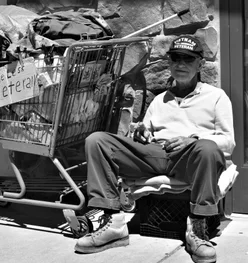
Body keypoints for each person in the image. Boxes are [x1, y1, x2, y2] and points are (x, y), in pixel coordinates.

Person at [74, 35, 235, 263]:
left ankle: (198, 229)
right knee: (97, 140)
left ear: (200, 64)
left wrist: (194, 139)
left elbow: (228, 141)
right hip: (156, 155)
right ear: (169, 63)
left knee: (207, 148)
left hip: (191, 159)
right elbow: (144, 136)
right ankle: (112, 223)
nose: (180, 64)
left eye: (188, 59)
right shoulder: (160, 100)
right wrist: (140, 133)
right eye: (176, 58)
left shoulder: (216, 97)